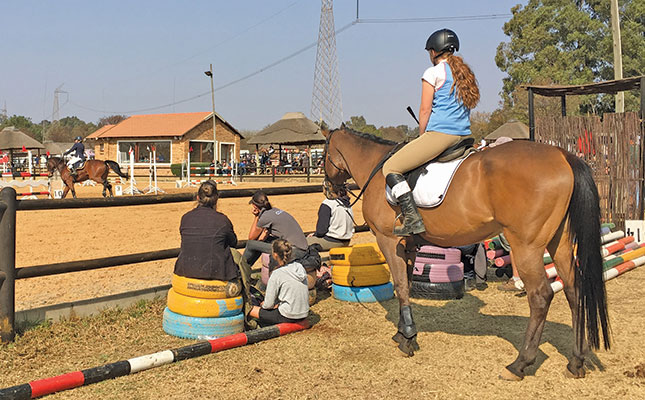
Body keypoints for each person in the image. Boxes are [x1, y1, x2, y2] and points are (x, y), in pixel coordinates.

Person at [382, 28, 480, 236]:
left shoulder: (432, 73)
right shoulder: (464, 73)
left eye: (429, 52)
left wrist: (422, 135)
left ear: (434, 51)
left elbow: (425, 110)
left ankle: (412, 219)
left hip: (440, 136)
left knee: (390, 167)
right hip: (464, 136)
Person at [173, 181, 242, 295]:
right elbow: (233, 243)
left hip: (185, 270)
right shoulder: (223, 220)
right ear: (216, 199)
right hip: (217, 273)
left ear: (197, 197)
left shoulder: (185, 218)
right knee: (236, 258)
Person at [241, 191, 308, 274]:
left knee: (251, 244)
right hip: (301, 247)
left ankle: (240, 271)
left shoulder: (265, 217)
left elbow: (251, 238)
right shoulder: (274, 210)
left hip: (295, 251)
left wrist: (256, 216)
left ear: (254, 206)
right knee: (259, 243)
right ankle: (245, 269)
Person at [247, 239, 309, 325]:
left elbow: (268, 305)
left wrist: (263, 305)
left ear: (275, 255)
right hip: (304, 313)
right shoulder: (300, 267)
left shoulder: (277, 273)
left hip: (288, 315)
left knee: (250, 309)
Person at [307, 184, 354, 251]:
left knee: (301, 242)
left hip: (333, 241)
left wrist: (315, 234)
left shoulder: (327, 203)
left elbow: (321, 231)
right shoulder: (347, 202)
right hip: (346, 241)